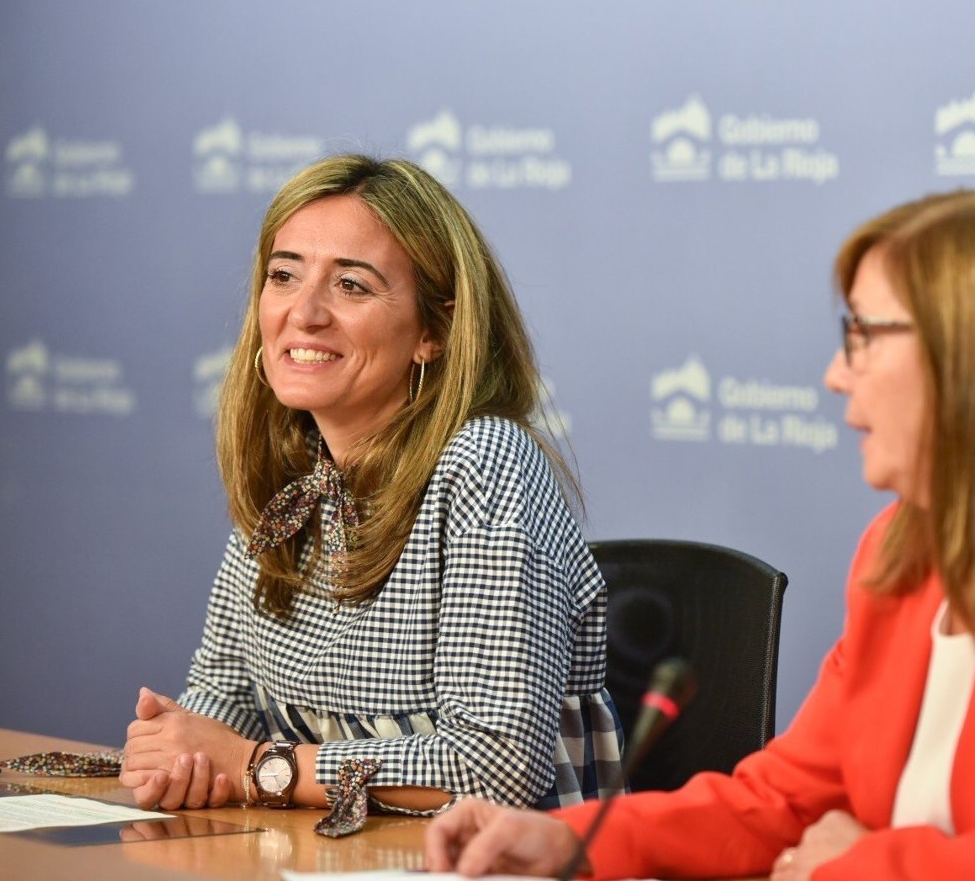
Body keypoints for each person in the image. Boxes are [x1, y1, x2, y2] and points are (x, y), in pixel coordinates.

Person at [424, 186, 975, 880]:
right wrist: (572, 841)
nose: (835, 373)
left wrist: (857, 864)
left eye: (862, 335)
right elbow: (783, 800)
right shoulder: (901, 547)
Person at [119, 154, 623, 815]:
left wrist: (254, 765)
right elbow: (221, 703)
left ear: (433, 332)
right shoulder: (294, 480)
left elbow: (497, 767)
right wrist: (177, 752)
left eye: (351, 286)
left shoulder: (485, 463)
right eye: (283, 275)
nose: (303, 312)